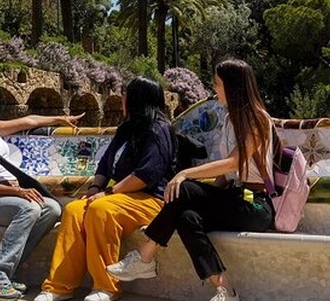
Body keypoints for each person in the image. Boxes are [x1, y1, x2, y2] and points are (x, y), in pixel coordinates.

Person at [106, 59, 275, 301]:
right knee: (186, 216)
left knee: (184, 188)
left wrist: (185, 174)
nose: (214, 89)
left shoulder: (257, 118)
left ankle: (145, 253)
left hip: (255, 203)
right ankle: (224, 288)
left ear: (232, 86)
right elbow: (225, 177)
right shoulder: (230, 120)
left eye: (217, 83)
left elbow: (233, 163)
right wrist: (200, 198)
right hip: (236, 197)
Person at [33, 76, 174, 301]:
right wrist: (96, 186)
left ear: (137, 99)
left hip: (151, 201)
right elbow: (105, 164)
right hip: (121, 197)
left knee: (101, 209)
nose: (122, 99)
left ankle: (106, 286)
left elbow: (146, 175)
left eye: (126, 95)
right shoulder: (126, 129)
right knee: (74, 210)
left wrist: (107, 192)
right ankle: (58, 286)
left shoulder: (159, 130)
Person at [0, 82, 77, 301]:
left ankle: (5, 274)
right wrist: (20, 193)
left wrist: (59, 119)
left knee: (52, 209)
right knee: (28, 209)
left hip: (10, 195)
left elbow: (28, 121)